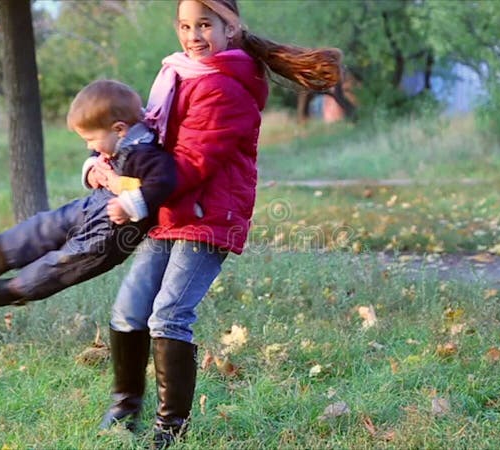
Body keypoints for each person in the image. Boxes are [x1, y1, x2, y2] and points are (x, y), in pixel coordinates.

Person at [87, 1, 342, 447]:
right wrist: (101, 162)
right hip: (168, 211)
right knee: (129, 310)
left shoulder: (226, 87)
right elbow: (144, 141)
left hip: (206, 218)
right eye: (185, 25)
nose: (194, 35)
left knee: (169, 314)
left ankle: (171, 427)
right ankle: (125, 407)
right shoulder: (177, 75)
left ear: (230, 27)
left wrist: (132, 197)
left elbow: (191, 164)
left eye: (205, 24)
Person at [0, 79, 176, 307]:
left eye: (90, 139)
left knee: (67, 260)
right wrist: (91, 173)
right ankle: (3, 250)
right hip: (92, 206)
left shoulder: (147, 155)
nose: (89, 146)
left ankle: (16, 288)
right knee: (52, 222)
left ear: (119, 129)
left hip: (112, 234)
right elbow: (96, 158)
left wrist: (129, 205)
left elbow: (163, 183)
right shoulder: (116, 141)